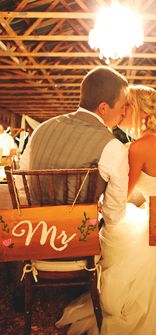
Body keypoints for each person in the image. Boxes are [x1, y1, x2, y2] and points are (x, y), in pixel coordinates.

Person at [56, 85, 156, 335]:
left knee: (111, 231)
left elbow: (122, 196)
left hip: (151, 227)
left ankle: (116, 310)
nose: (122, 113)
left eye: (128, 107)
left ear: (141, 111)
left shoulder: (138, 147)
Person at [20, 66, 129, 225]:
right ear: (103, 108)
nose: (124, 112)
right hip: (79, 243)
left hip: (34, 233)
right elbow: (113, 216)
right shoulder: (112, 147)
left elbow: (21, 185)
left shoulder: (41, 129)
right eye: (122, 106)